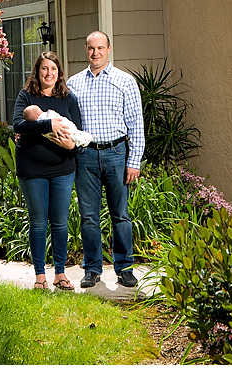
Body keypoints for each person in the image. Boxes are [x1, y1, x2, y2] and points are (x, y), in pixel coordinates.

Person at [66, 31, 145, 289]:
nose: (95, 53)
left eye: (100, 48)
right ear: (85, 50)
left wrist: (134, 161)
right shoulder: (74, 83)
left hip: (116, 154)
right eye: (91, 48)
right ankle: (92, 269)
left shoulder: (125, 81)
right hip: (85, 155)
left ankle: (125, 269)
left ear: (109, 48)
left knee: (120, 215)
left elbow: (136, 125)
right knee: (88, 215)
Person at [12, 51, 81, 291]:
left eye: (53, 69)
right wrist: (48, 124)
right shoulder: (26, 96)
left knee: (60, 222)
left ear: (59, 73)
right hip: (33, 169)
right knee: (38, 221)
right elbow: (18, 124)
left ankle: (60, 273)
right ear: (37, 72)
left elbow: (78, 130)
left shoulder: (68, 98)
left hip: (63, 168)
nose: (48, 73)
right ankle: (40, 275)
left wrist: (72, 144)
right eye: (44, 69)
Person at [23, 105, 92, 148]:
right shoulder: (45, 116)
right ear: (38, 113)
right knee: (76, 134)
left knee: (74, 136)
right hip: (65, 129)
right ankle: (87, 139)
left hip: (59, 136)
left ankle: (81, 142)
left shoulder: (38, 126)